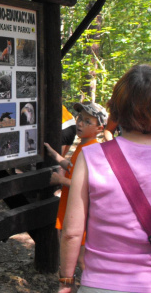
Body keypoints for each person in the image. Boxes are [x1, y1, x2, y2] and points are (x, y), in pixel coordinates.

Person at [58, 64, 151, 293]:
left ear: (116, 109)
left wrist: (66, 281)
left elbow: (71, 232)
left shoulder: (91, 157)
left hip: (100, 283)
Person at [45, 101, 108, 270]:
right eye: (80, 118)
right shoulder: (83, 146)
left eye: (88, 121)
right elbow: (72, 167)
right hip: (70, 206)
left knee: (82, 260)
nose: (80, 123)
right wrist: (54, 155)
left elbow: (88, 186)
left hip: (81, 213)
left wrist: (61, 180)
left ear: (99, 129)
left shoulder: (94, 150)